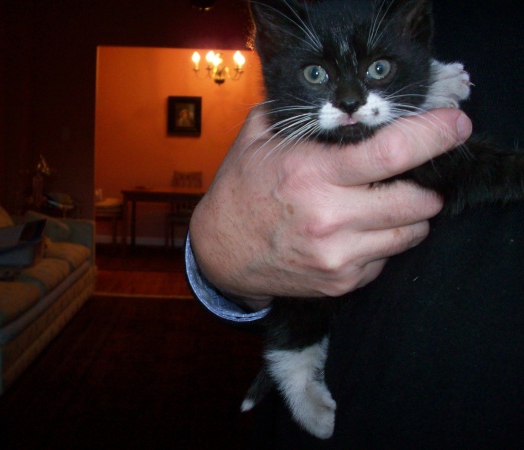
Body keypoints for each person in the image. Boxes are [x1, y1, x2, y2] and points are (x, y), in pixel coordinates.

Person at [186, 1, 524, 448]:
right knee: (306, 305)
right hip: (362, 395)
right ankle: (293, 368)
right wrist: (215, 251)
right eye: (316, 75)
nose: (348, 99)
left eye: (378, 71)